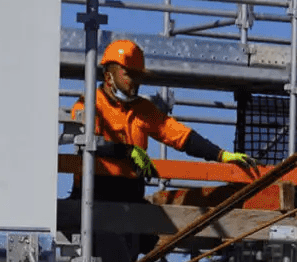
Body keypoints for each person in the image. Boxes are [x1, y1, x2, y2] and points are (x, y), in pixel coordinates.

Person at [66, 39, 256, 203]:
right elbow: (88, 143)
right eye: (128, 75)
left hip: (128, 196)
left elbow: (180, 136)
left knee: (148, 238)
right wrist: (128, 151)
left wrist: (221, 155)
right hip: (93, 194)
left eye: (137, 76)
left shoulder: (143, 109)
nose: (135, 82)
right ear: (109, 76)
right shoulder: (88, 105)